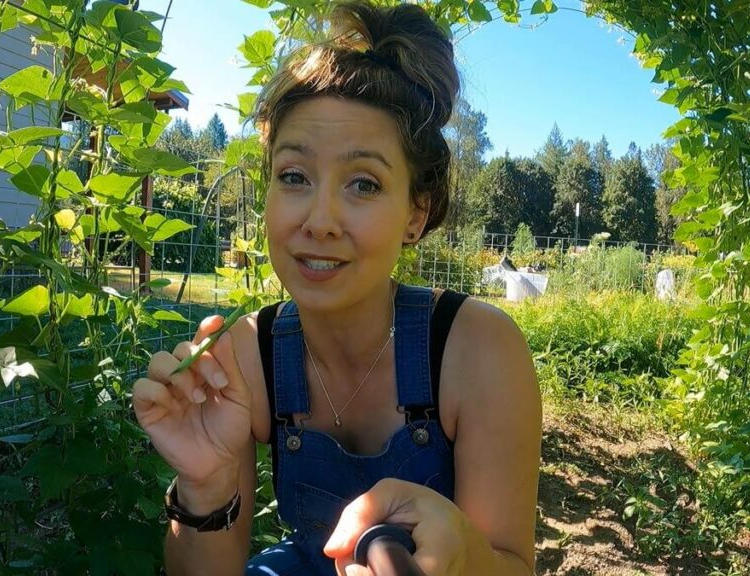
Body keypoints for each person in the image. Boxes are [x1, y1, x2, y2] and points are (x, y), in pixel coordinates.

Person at [132, 2, 541, 574]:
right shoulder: (249, 354)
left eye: (364, 184)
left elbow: (512, 565)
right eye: (294, 176)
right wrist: (205, 483)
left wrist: (465, 554)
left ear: (415, 214)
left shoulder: (478, 350)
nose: (319, 219)